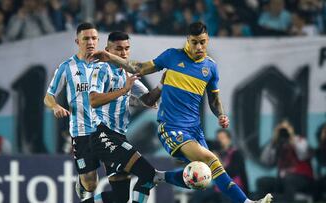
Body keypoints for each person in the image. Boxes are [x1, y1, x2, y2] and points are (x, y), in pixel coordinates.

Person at [89, 21, 273, 203]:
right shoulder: (172, 56)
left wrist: (221, 115)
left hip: (194, 130)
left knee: (202, 176)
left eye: (202, 42)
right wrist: (110, 57)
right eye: (194, 42)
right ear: (187, 40)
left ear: (207, 40)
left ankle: (157, 177)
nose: (199, 46)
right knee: (211, 159)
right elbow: (139, 68)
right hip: (171, 128)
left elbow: (214, 100)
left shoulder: (210, 68)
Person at [88, 31, 164, 203]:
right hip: (102, 135)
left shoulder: (127, 74)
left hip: (118, 136)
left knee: (120, 197)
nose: (123, 53)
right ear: (108, 49)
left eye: (127, 49)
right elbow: (93, 100)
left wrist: (163, 83)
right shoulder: (100, 69)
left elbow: (149, 100)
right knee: (148, 175)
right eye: (118, 49)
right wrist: (124, 90)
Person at [44, 22, 113, 203]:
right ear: (77, 41)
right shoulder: (67, 67)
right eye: (86, 38)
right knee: (91, 184)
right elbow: (48, 96)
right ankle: (82, 184)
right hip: (81, 132)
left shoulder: (106, 66)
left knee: (117, 176)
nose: (90, 42)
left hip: (105, 130)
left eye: (94, 38)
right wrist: (55, 106)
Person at [260, 119, 314, 202]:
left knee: (289, 180)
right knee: (263, 182)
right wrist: (273, 142)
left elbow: (303, 155)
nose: (284, 131)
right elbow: (265, 160)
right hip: (283, 179)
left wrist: (292, 138)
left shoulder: (299, 140)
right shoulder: (277, 143)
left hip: (302, 178)